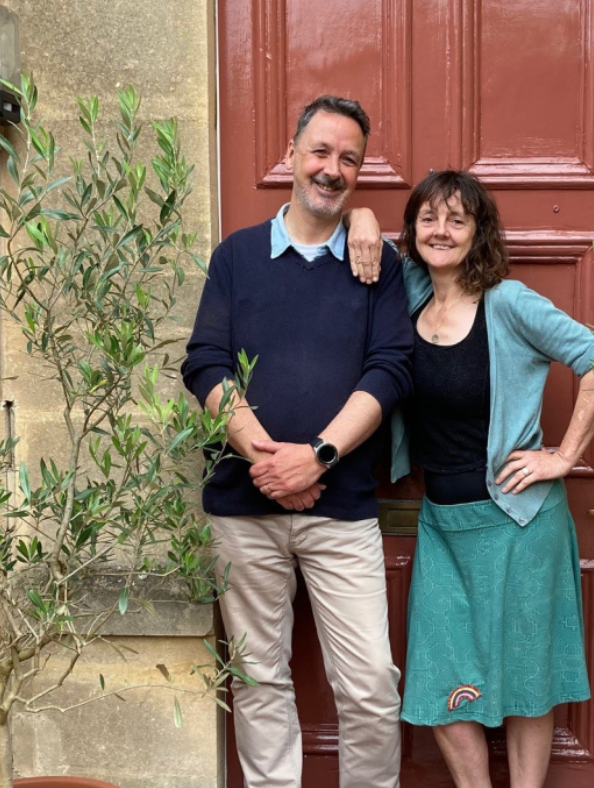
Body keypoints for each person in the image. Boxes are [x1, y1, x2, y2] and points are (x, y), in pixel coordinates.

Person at [349, 170, 594, 788]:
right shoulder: (410, 292)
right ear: (414, 229)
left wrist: (563, 456)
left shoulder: (510, 302)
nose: (442, 231)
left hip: (520, 524)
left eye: (457, 220)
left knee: (525, 683)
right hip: (443, 524)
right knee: (440, 681)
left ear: (479, 232)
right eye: (429, 218)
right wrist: (361, 213)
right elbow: (371, 245)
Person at [182, 96, 412, 788]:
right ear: (290, 155)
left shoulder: (379, 264)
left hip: (339, 508)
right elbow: (205, 363)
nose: (332, 169)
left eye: (349, 159)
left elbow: (391, 367)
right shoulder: (238, 256)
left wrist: (316, 457)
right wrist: (266, 458)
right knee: (257, 680)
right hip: (243, 507)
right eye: (320, 151)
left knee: (371, 685)